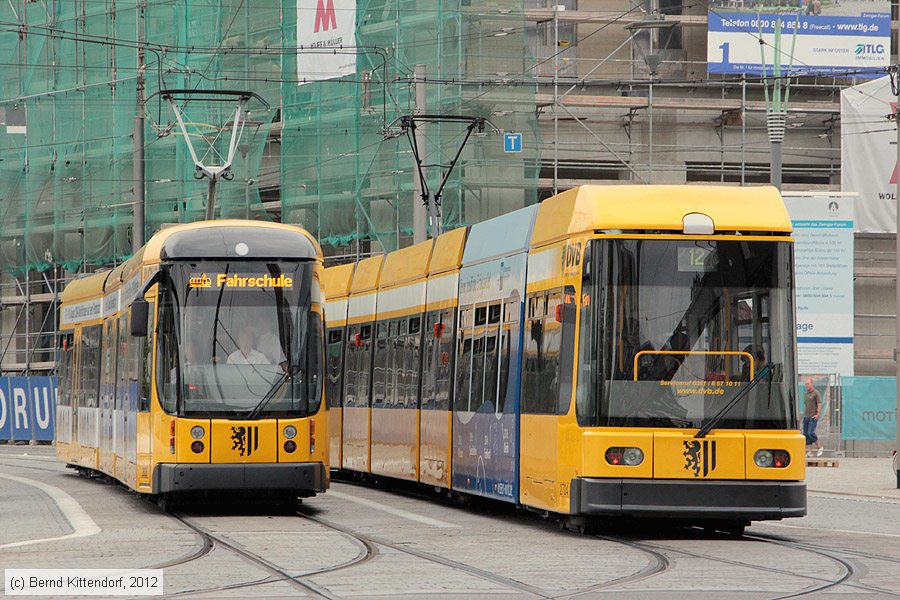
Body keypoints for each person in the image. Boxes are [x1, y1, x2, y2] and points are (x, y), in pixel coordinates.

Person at [802, 377, 824, 457]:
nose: (806, 385)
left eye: (808, 384)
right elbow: (806, 405)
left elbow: (819, 403)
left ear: (812, 384)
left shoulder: (816, 393)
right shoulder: (806, 394)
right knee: (805, 434)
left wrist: (818, 414)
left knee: (811, 433)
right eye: (806, 384)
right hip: (806, 417)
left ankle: (820, 447)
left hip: (813, 416)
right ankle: (810, 452)